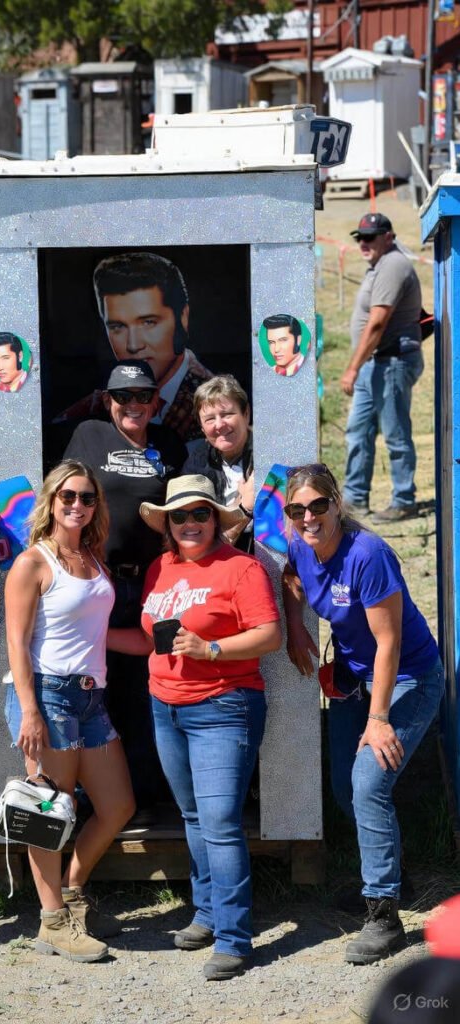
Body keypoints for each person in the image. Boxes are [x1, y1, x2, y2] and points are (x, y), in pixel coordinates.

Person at [108, 475, 281, 980]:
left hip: (224, 707)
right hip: (166, 706)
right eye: (179, 516)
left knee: (222, 823)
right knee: (192, 816)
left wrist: (212, 650)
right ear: (166, 523)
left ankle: (233, 937)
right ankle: (207, 913)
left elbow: (269, 634)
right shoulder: (161, 567)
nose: (189, 523)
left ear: (215, 518)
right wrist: (92, 637)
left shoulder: (241, 569)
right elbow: (152, 642)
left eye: (200, 513)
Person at [281, 463, 443, 965]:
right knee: (344, 788)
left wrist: (379, 719)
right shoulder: (299, 544)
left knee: (369, 784)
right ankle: (395, 876)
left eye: (318, 505)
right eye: (298, 509)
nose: (309, 517)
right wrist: (295, 624)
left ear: (336, 504)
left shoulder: (367, 554)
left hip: (407, 678)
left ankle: (383, 914)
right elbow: (290, 575)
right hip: (352, 681)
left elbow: (389, 642)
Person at [4, 460, 135, 963]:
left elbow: (95, 631)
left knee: (117, 804)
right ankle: (53, 920)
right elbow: (16, 643)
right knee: (48, 815)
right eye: (68, 497)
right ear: (51, 501)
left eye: (86, 497)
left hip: (92, 696)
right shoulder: (35, 562)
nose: (77, 505)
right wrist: (29, 709)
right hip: (51, 694)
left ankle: (73, 891)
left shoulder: (92, 558)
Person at [64, 361, 187, 824]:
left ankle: (151, 795)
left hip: (159, 583)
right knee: (99, 685)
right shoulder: (88, 436)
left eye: (143, 396)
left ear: (156, 400)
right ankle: (101, 799)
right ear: (107, 399)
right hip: (103, 582)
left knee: (153, 683)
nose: (133, 404)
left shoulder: (171, 445)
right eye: (123, 396)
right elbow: (62, 498)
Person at [56, 252, 213, 443]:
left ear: (183, 318)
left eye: (148, 322)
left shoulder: (216, 401)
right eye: (117, 326)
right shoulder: (91, 409)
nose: (133, 345)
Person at [340, 213, 424, 522]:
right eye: (359, 237)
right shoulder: (378, 266)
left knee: (395, 433)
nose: (363, 243)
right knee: (357, 432)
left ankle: (404, 498)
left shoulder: (393, 264)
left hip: (391, 362)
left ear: (388, 236)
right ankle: (354, 499)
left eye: (370, 237)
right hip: (373, 364)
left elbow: (376, 324)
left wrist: (351, 368)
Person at [183, 375, 255, 551]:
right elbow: (194, 534)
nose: (219, 424)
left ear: (246, 414)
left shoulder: (270, 454)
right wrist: (243, 506)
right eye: (209, 419)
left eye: (227, 414)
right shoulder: (196, 465)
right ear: (201, 427)